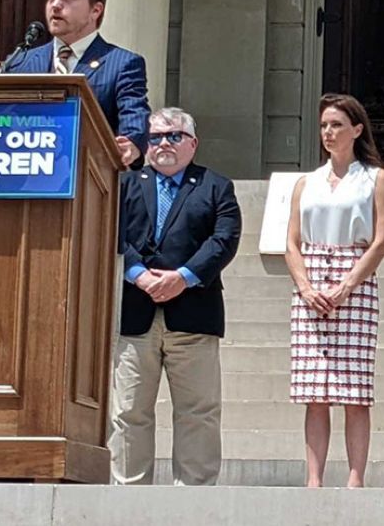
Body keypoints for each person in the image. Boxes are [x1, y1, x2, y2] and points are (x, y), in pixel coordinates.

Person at [110, 107, 242, 485]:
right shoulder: (126, 185)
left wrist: (183, 277)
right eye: (155, 137)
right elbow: (112, 232)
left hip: (193, 313)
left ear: (193, 143)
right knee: (129, 411)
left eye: (173, 136)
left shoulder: (216, 186)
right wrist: (138, 275)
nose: (163, 143)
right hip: (135, 314)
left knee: (197, 411)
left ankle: (194, 496)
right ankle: (129, 494)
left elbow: (224, 240)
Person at [285, 93, 384, 488]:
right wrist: (305, 286)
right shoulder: (306, 182)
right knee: (315, 389)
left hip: (355, 279)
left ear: (357, 130)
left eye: (337, 126)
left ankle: (355, 477)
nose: (329, 133)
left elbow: (380, 240)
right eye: (325, 126)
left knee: (354, 389)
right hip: (311, 282)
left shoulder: (374, 178)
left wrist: (348, 284)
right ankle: (314, 478)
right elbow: (292, 242)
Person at [0, 0, 150, 166]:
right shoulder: (20, 63)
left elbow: (134, 112)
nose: (55, 5)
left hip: (88, 176)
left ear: (96, 10)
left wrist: (131, 142)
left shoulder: (123, 63)